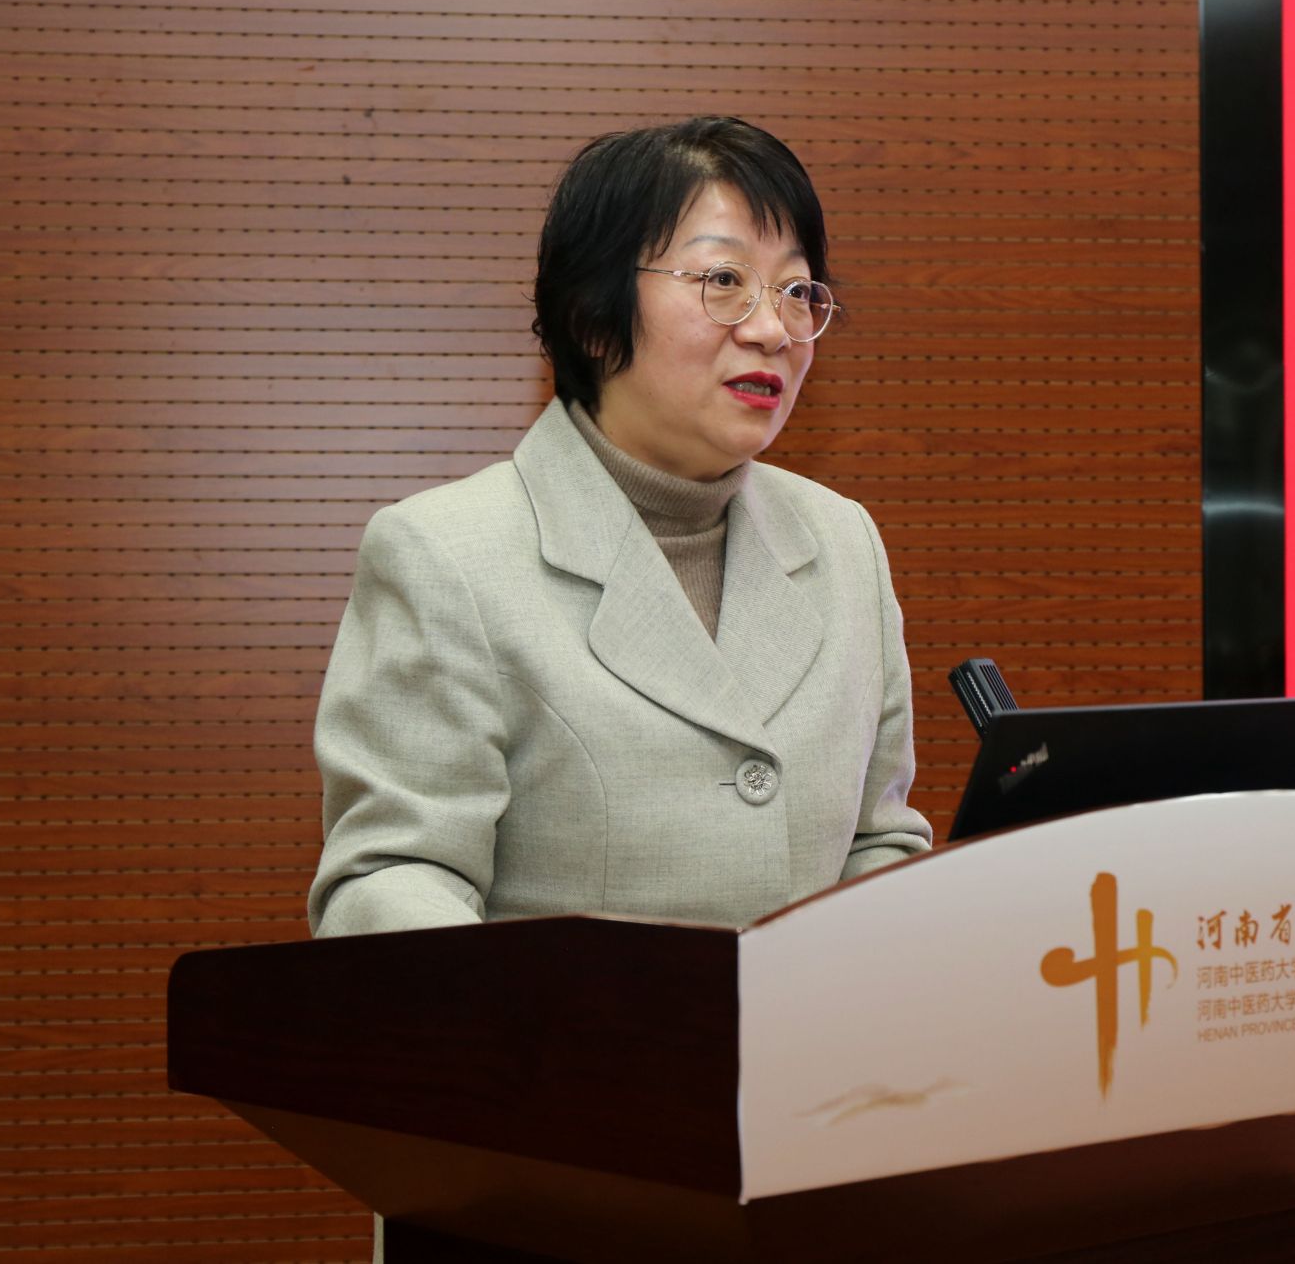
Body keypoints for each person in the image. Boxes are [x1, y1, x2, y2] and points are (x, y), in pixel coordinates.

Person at [307, 117, 932, 938]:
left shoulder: (844, 542)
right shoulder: (446, 555)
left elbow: (879, 842)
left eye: (796, 290)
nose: (772, 329)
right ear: (594, 318)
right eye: (724, 280)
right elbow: (394, 877)